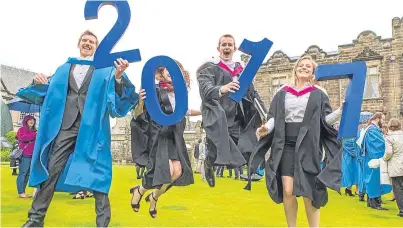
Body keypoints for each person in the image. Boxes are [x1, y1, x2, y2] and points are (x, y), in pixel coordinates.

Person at [17, 30, 139, 227]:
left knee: (98, 173)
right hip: (65, 126)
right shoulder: (63, 68)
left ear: (97, 46)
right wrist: (36, 82)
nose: (88, 43)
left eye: (92, 41)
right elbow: (46, 92)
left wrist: (117, 76)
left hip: (92, 127)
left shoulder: (104, 69)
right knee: (51, 170)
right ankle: (35, 219)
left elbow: (119, 95)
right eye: (85, 40)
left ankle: (102, 223)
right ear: (79, 44)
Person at [251, 56, 343, 227]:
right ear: (295, 69)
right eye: (301, 65)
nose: (304, 67)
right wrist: (264, 129)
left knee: (309, 191)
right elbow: (274, 117)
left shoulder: (319, 93)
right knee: (288, 190)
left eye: (308, 66)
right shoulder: (283, 92)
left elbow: (324, 121)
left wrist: (340, 111)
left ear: (313, 72)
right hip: (285, 144)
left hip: (308, 144)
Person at [129, 61, 200, 218]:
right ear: (162, 72)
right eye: (169, 68)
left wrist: (203, 111)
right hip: (159, 136)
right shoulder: (154, 90)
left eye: (178, 69)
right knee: (165, 170)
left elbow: (184, 111)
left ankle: (153, 197)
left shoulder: (181, 93)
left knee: (178, 172)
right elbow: (139, 114)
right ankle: (139, 191)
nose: (173, 71)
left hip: (175, 137)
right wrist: (140, 101)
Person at [196, 34, 267, 187]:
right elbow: (205, 89)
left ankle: (251, 170)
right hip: (217, 116)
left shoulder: (241, 71)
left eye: (230, 45)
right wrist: (222, 88)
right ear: (218, 48)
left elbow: (253, 94)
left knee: (246, 142)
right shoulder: (209, 67)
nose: (227, 47)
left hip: (236, 116)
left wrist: (265, 114)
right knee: (216, 151)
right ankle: (209, 165)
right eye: (224, 45)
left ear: (234, 48)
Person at [356, 112, 392, 210]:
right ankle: (374, 204)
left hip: (371, 159)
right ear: (377, 118)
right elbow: (377, 145)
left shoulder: (371, 129)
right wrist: (387, 143)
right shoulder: (372, 130)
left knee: (372, 180)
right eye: (383, 119)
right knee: (374, 180)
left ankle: (371, 202)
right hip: (373, 158)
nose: (383, 122)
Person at [383, 118, 403, 217]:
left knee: (398, 188)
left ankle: (402, 210)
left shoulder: (389, 138)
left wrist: (384, 158)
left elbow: (388, 152)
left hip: (396, 164)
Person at [16, 115, 37, 198]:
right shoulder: (22, 130)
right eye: (30, 120)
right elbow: (22, 138)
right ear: (26, 121)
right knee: (23, 173)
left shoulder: (35, 131)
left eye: (33, 120)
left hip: (33, 155)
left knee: (28, 174)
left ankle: (23, 192)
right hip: (25, 155)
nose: (32, 121)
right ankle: (20, 192)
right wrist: (34, 135)